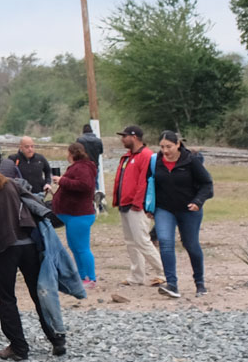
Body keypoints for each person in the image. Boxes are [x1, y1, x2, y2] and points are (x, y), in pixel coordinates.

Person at [0, 159, 66, 360]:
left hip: (3, 249)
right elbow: (36, 203)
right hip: (28, 244)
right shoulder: (10, 183)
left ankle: (19, 347)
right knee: (39, 294)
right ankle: (57, 339)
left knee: (7, 299)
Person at [151, 131, 214, 298]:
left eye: (169, 146)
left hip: (189, 209)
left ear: (178, 144)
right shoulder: (155, 161)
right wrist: (149, 206)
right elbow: (149, 184)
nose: (165, 150)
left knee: (191, 245)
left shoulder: (191, 160)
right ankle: (172, 284)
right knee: (165, 242)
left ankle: (199, 283)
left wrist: (198, 202)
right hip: (164, 209)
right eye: (162, 147)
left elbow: (207, 184)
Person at [112, 126, 166, 287]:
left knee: (142, 240)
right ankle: (137, 275)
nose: (122, 139)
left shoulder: (146, 155)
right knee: (131, 241)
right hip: (125, 203)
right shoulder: (128, 156)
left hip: (136, 205)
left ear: (134, 137)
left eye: (125, 136)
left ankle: (163, 272)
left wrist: (138, 202)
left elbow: (144, 181)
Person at [51, 141, 99, 286]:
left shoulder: (82, 167)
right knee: (75, 247)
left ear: (71, 153)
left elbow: (85, 185)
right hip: (73, 214)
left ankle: (91, 278)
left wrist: (62, 181)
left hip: (79, 214)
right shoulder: (81, 167)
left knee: (82, 248)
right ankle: (82, 275)